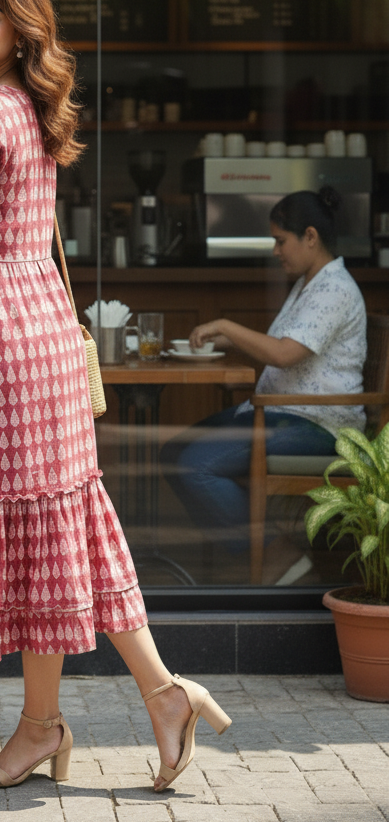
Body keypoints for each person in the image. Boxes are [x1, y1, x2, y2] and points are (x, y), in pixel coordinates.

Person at [0, 0, 231, 792]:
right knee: (58, 533)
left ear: (21, 29)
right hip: (39, 332)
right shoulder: (28, 111)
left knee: (43, 536)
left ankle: (62, 721)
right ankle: (146, 697)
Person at [161, 186, 366, 584]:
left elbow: (285, 354)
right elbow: (280, 346)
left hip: (316, 425)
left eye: (280, 240)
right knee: (175, 452)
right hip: (281, 413)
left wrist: (225, 326)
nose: (276, 251)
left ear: (310, 236)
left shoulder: (335, 289)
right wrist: (218, 340)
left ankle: (276, 554)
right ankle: (264, 552)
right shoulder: (310, 284)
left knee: (195, 466)